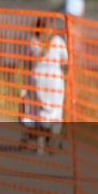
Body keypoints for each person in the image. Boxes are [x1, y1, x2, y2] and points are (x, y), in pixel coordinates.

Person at [21, 17, 67, 155]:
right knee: (56, 113)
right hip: (55, 80)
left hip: (37, 79)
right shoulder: (58, 41)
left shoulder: (32, 42)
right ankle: (54, 144)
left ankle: (40, 147)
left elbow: (26, 62)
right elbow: (65, 60)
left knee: (39, 113)